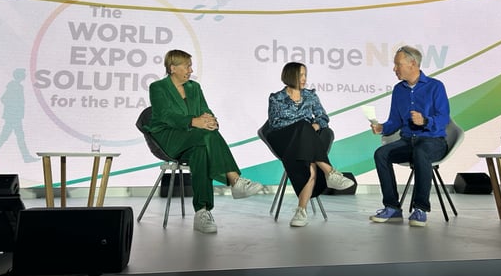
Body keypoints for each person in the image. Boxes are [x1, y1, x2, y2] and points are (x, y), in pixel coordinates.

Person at [144, 49, 263, 234]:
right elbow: (164, 116)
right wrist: (194, 121)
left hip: (194, 139)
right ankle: (235, 181)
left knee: (201, 151)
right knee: (205, 136)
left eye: (191, 66)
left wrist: (211, 121)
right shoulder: (158, 87)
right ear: (172, 68)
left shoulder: (194, 87)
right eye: (187, 66)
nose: (190, 70)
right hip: (169, 139)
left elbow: (205, 110)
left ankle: (202, 212)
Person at [266, 62, 354, 227]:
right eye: (300, 75)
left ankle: (301, 210)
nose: (304, 78)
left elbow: (323, 117)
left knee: (311, 158)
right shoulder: (276, 98)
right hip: (285, 140)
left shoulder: (310, 96)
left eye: (305, 75)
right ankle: (329, 172)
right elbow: (275, 124)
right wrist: (302, 127)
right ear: (290, 76)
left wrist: (315, 126)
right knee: (303, 127)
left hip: (306, 143)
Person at [370, 46, 450, 227]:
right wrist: (382, 128)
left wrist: (425, 121)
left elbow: (444, 117)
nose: (394, 69)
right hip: (407, 141)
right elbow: (395, 121)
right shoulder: (398, 90)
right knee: (381, 154)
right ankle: (392, 207)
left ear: (412, 63)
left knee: (421, 152)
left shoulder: (435, 86)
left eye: (398, 64)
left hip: (433, 141)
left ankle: (420, 209)